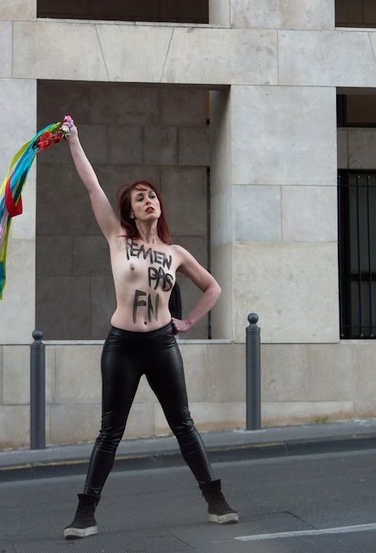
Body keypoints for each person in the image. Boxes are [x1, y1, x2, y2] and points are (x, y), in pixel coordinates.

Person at [62, 119, 238, 539]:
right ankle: (85, 513)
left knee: (183, 424)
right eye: (140, 198)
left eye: (153, 196)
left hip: (162, 344)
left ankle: (216, 501)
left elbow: (213, 287)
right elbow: (92, 186)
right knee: (111, 431)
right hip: (122, 346)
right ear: (130, 209)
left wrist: (190, 320)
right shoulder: (116, 238)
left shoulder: (175, 252)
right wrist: (75, 139)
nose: (148, 201)